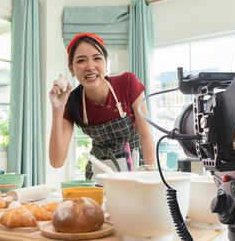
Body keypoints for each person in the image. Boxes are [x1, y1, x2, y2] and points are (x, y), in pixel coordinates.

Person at [48, 33, 156, 179]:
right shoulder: (72, 101)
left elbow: (145, 136)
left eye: (97, 58)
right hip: (99, 176)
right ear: (71, 69)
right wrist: (57, 109)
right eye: (81, 61)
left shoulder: (127, 83)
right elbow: (56, 161)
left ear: (106, 62)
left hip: (137, 171)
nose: (90, 67)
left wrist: (150, 180)